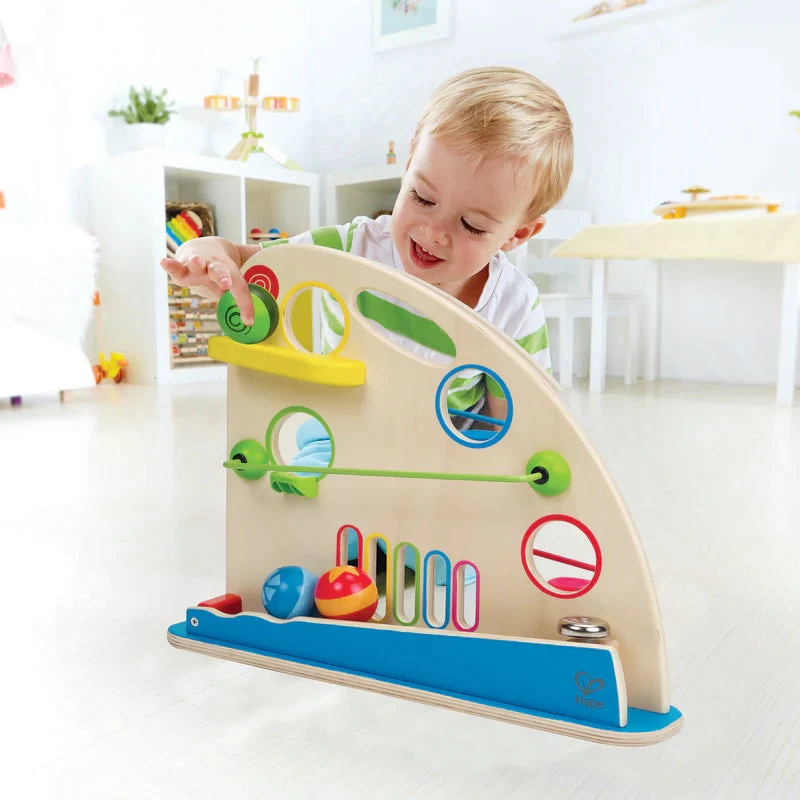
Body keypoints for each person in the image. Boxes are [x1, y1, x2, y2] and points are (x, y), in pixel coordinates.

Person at [162, 66, 573, 430]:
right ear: (409, 164)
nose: (433, 232)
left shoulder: (513, 303)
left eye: (471, 225)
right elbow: (244, 261)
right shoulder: (351, 246)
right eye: (422, 197)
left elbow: (518, 419)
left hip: (448, 452)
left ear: (518, 234)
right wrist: (209, 257)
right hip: (344, 431)